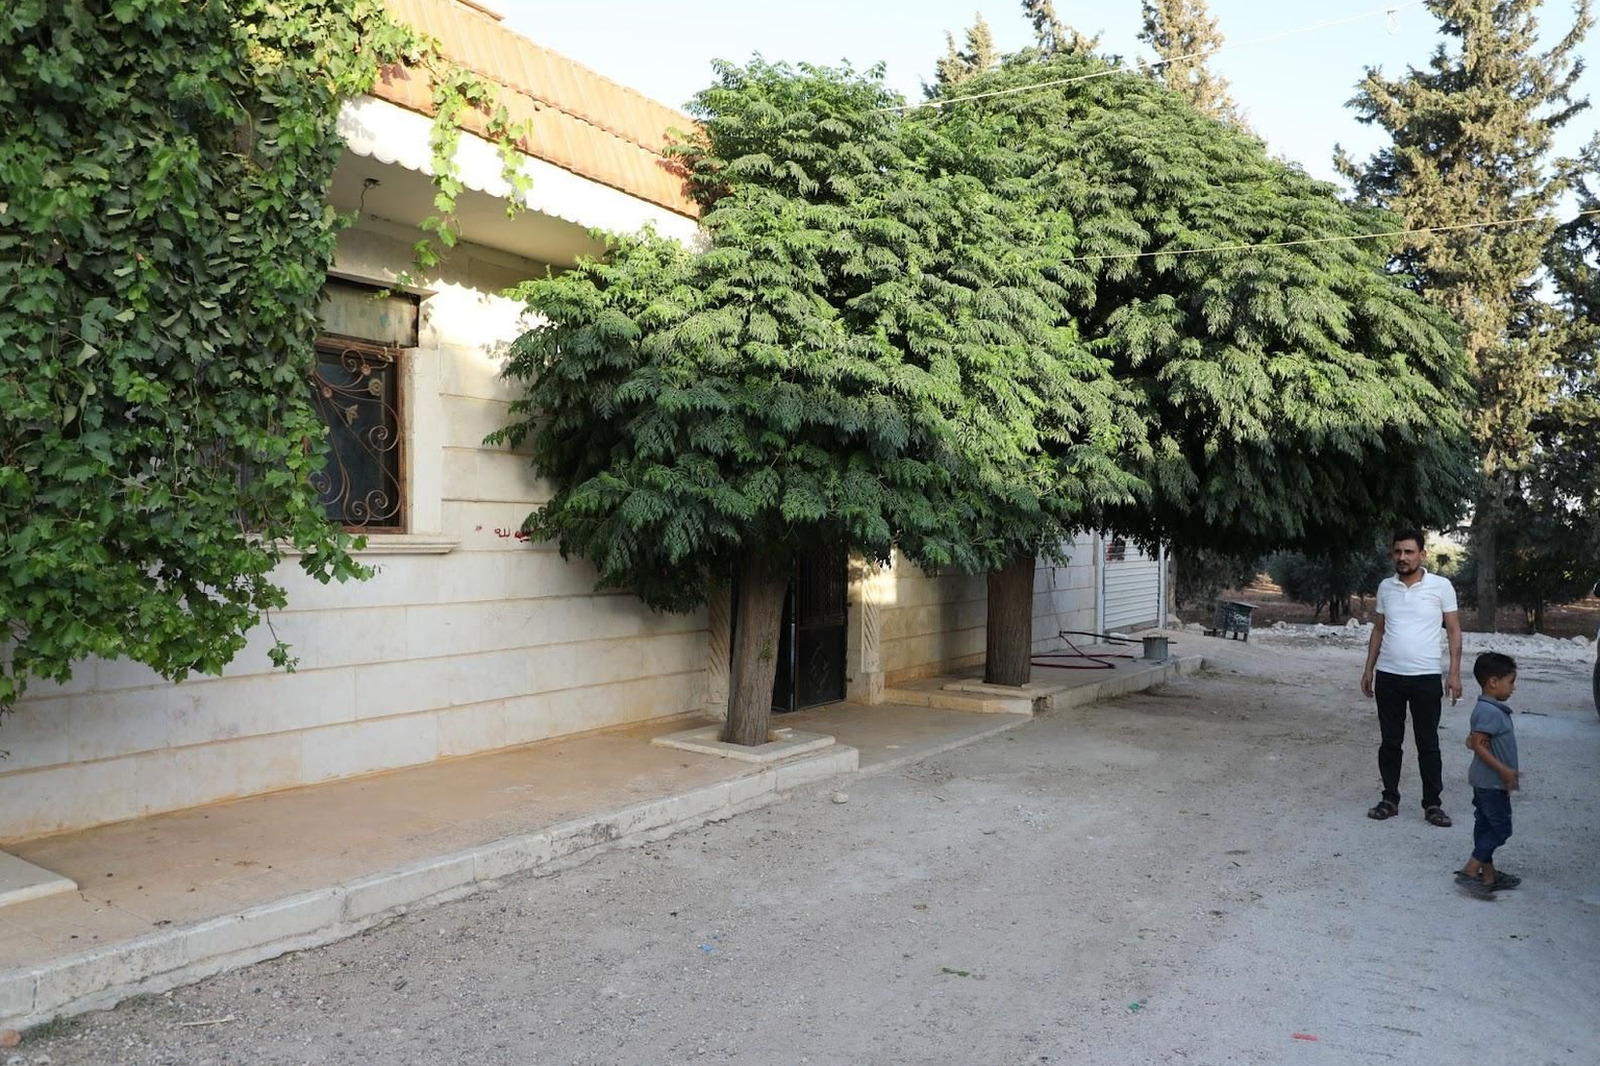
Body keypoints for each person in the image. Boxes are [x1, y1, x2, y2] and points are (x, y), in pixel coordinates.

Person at [1359, 528, 1463, 825]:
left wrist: (1454, 673)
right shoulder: (1386, 587)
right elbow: (1379, 629)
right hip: (1389, 676)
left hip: (1426, 677)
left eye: (1408, 552)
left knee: (1428, 743)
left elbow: (1454, 630)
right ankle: (1389, 799)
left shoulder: (1441, 586)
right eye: (1397, 552)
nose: (1402, 557)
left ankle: (1433, 804)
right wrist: (1368, 669)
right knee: (1390, 742)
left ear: (1422, 555)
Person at [1455, 652, 1521, 894]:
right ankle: (1470, 870)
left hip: (1488, 782)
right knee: (1501, 829)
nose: (1513, 688)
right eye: (1510, 682)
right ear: (1493, 682)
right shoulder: (1488, 711)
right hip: (1490, 783)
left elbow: (1474, 741)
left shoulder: (1490, 709)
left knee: (1484, 826)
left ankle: (1489, 876)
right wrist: (1504, 770)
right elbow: (1478, 744)